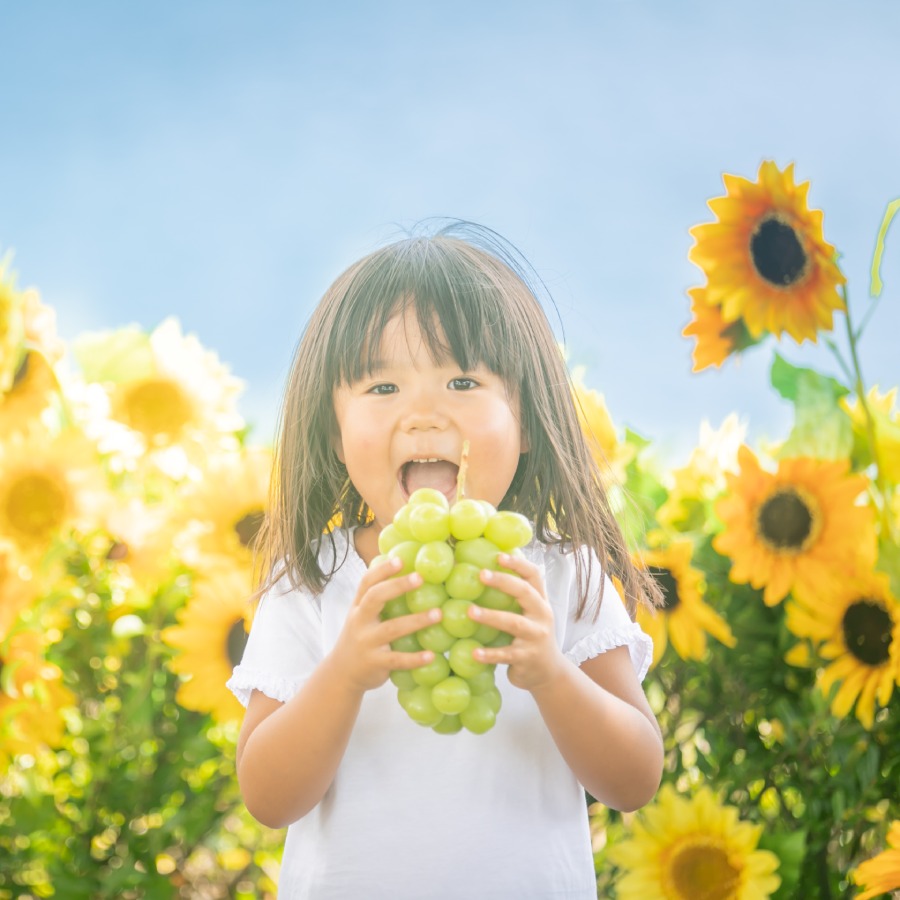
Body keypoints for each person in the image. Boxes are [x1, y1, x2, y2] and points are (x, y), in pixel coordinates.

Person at [228, 221, 664, 899]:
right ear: (333, 431)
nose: (425, 412)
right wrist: (344, 673)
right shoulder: (310, 583)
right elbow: (266, 796)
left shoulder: (562, 574)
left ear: (526, 419)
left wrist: (550, 672)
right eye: (381, 388)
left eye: (463, 380)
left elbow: (636, 779)